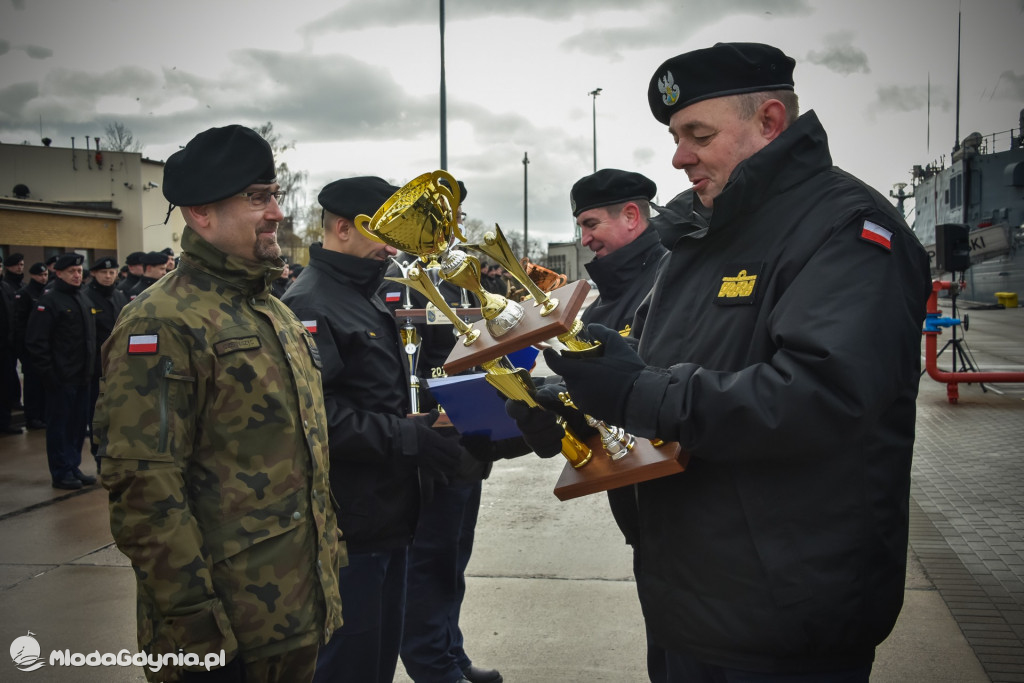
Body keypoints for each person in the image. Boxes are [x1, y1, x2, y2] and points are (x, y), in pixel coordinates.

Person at [512, 42, 932, 681]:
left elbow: (819, 398)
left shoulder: (847, 229)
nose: (677, 157)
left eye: (696, 135)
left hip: (783, 608)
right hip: (691, 592)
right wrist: (575, 409)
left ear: (769, 122)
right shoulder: (701, 235)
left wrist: (636, 392)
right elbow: (659, 375)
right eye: (675, 136)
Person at [94, 124, 342, 683]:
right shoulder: (162, 321)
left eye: (275, 195)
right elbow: (144, 487)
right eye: (257, 198)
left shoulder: (272, 312)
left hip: (293, 612)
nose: (276, 212)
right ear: (201, 213)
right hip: (223, 635)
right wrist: (196, 628)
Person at [282, 176, 465, 683]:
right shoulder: (312, 303)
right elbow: (318, 419)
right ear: (342, 228)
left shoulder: (361, 294)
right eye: (385, 232)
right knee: (349, 666)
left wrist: (421, 425)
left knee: (377, 663)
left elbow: (374, 396)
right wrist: (409, 437)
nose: (394, 244)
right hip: (349, 528)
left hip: (386, 515)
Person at [380, 179, 504, 683]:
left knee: (454, 554)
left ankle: (449, 649)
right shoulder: (399, 278)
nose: (448, 225)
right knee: (428, 560)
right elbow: (409, 368)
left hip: (466, 435)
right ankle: (432, 662)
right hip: (434, 435)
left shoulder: (449, 273)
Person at [25, 253, 96, 488]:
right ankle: (60, 471)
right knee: (60, 427)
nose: (77, 275)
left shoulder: (82, 299)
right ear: (59, 273)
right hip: (61, 378)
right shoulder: (50, 301)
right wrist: (49, 375)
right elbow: (37, 342)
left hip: (82, 376)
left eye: (79, 271)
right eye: (71, 272)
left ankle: (72, 466)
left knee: (77, 426)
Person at [82, 256, 127, 464]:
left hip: (118, 366)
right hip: (96, 368)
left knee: (118, 413)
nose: (108, 276)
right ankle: (99, 456)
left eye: (112, 272)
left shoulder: (119, 296)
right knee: (97, 416)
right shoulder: (86, 297)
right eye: (103, 273)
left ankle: (115, 454)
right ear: (93, 274)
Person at [12, 262, 50, 430]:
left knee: (43, 386)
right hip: (30, 349)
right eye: (40, 275)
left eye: (46, 275)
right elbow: (20, 325)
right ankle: (32, 416)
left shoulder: (47, 293)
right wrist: (23, 350)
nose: (44, 278)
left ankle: (42, 415)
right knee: (32, 386)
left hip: (44, 348)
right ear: (33, 276)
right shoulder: (25, 294)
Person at [0, 254, 21, 435]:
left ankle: (5, 422)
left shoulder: (6, 288)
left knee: (5, 386)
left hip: (6, 347)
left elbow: (13, 316)